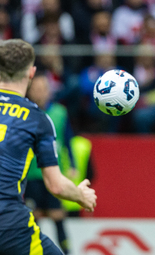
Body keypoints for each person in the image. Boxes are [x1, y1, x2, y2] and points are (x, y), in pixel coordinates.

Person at [0, 39, 96, 254]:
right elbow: (56, 185)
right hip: (8, 225)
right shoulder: (37, 119)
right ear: (32, 73)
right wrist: (81, 195)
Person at [24, 73, 76, 254]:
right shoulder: (25, 112)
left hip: (54, 174)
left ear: (49, 91)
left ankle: (66, 251)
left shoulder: (60, 113)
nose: (40, 93)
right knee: (34, 216)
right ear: (29, 91)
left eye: (43, 89)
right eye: (36, 89)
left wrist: (73, 165)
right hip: (31, 174)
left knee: (57, 215)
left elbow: (68, 140)